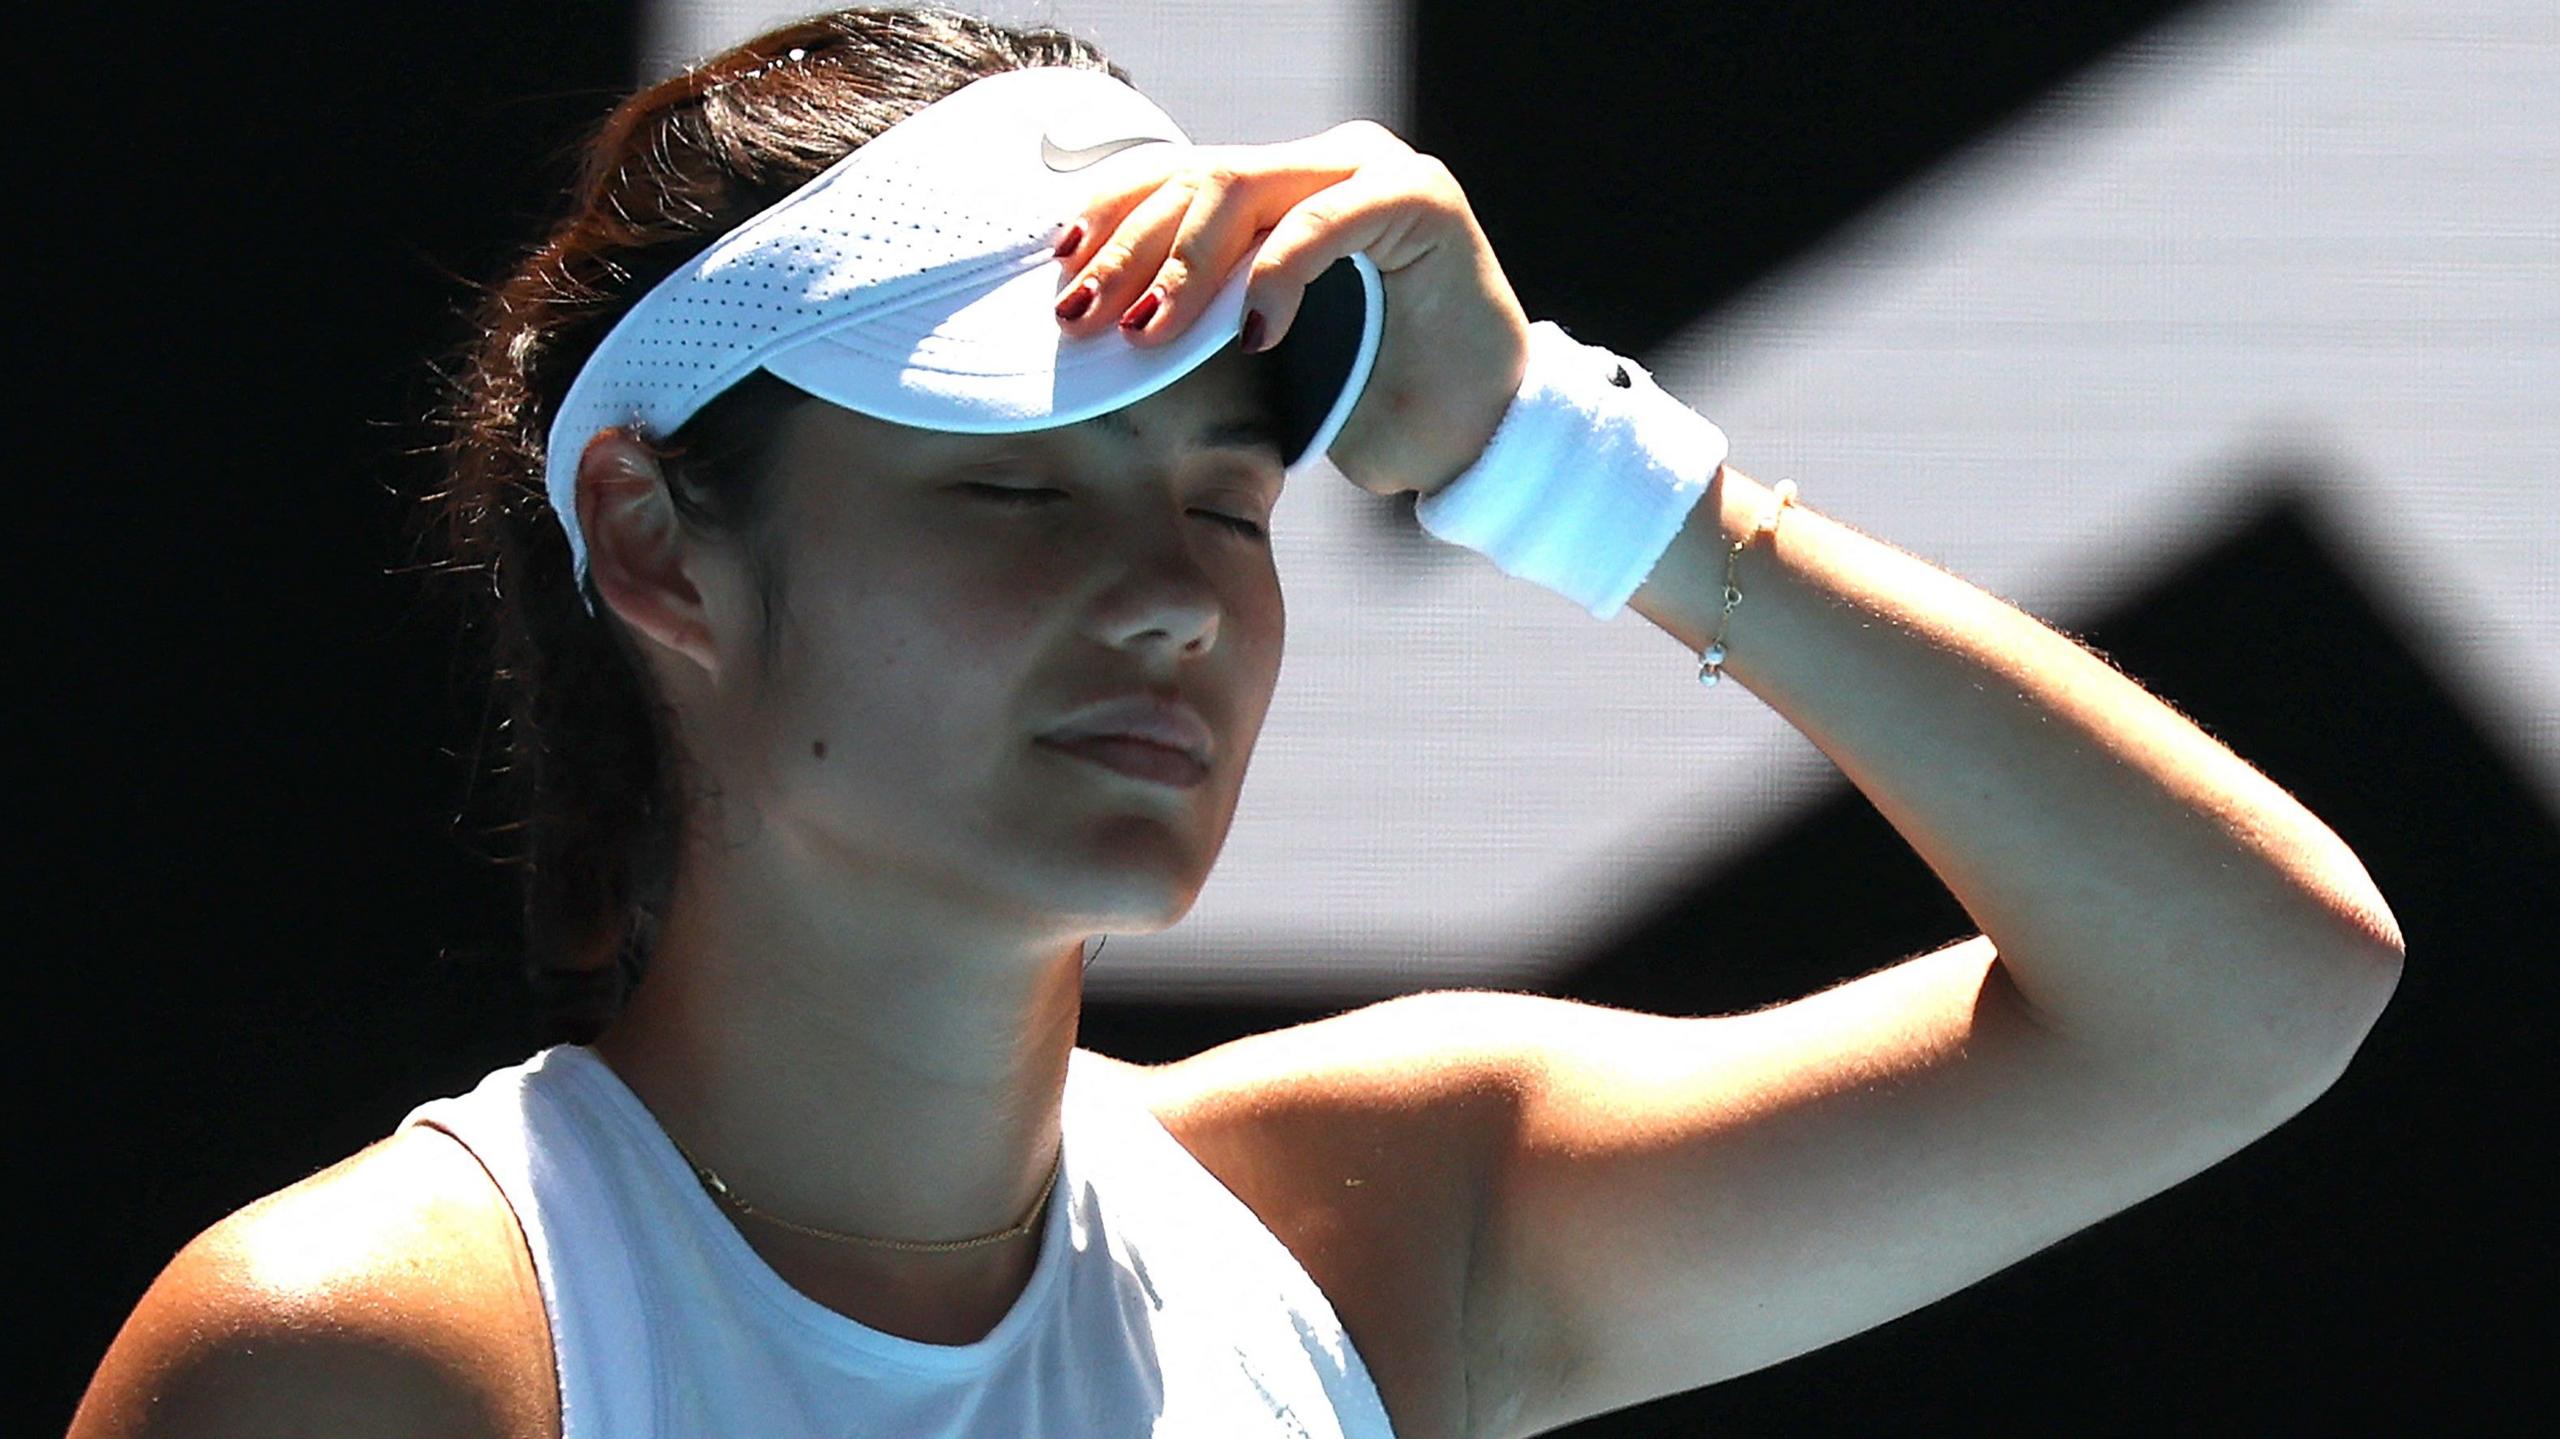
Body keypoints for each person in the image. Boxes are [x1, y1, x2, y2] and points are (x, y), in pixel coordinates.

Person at [68, 6, 2406, 1438]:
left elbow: (2254, 988)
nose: (1168, 601)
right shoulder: (372, 1361)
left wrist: (1568, 471)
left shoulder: (1380, 1217)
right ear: (665, 545)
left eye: (1223, 499)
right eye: (1014, 489)